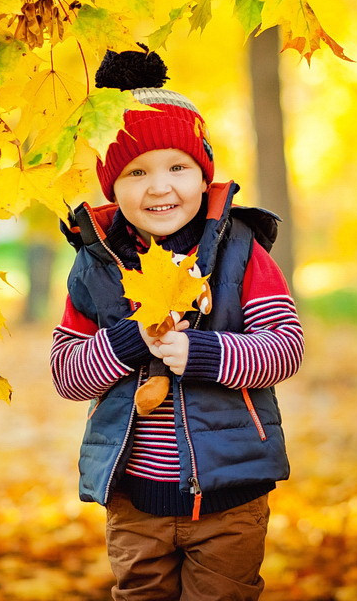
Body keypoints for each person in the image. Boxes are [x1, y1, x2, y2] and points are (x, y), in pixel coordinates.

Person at [50, 48, 304, 600]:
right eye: (136, 172)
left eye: (177, 167)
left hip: (230, 497)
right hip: (134, 499)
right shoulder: (98, 263)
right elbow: (66, 373)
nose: (159, 187)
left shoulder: (239, 250)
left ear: (203, 170)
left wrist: (207, 354)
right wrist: (127, 341)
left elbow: (284, 348)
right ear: (111, 186)